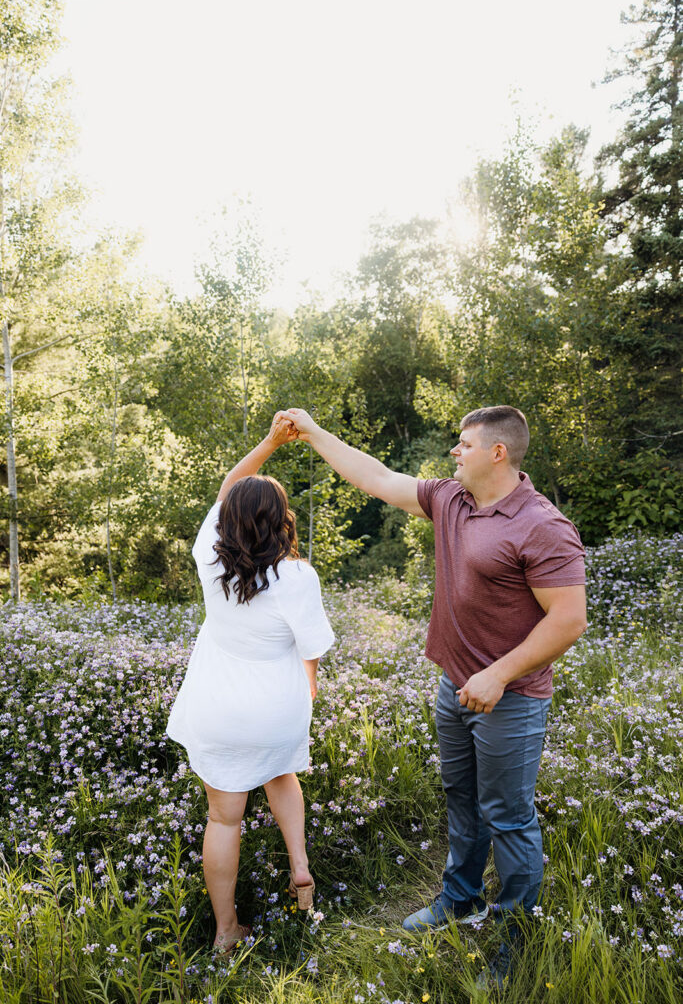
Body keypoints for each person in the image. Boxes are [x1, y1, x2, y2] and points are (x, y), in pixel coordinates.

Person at [278, 404, 586, 988]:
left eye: (464, 444)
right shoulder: (451, 499)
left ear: (497, 452)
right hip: (455, 685)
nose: (454, 452)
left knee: (509, 817)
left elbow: (569, 619)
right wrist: (313, 433)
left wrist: (498, 675)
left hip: (511, 698)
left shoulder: (541, 524)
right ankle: (460, 899)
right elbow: (375, 476)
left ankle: (515, 936)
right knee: (462, 799)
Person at [166, 415, 335, 954]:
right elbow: (311, 650)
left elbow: (227, 488)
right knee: (282, 773)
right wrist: (308, 688)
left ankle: (226, 931)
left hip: (217, 707)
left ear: (229, 520)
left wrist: (269, 442)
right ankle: (300, 868)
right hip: (277, 707)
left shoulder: (209, 559)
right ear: (282, 520)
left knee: (224, 818)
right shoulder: (298, 576)